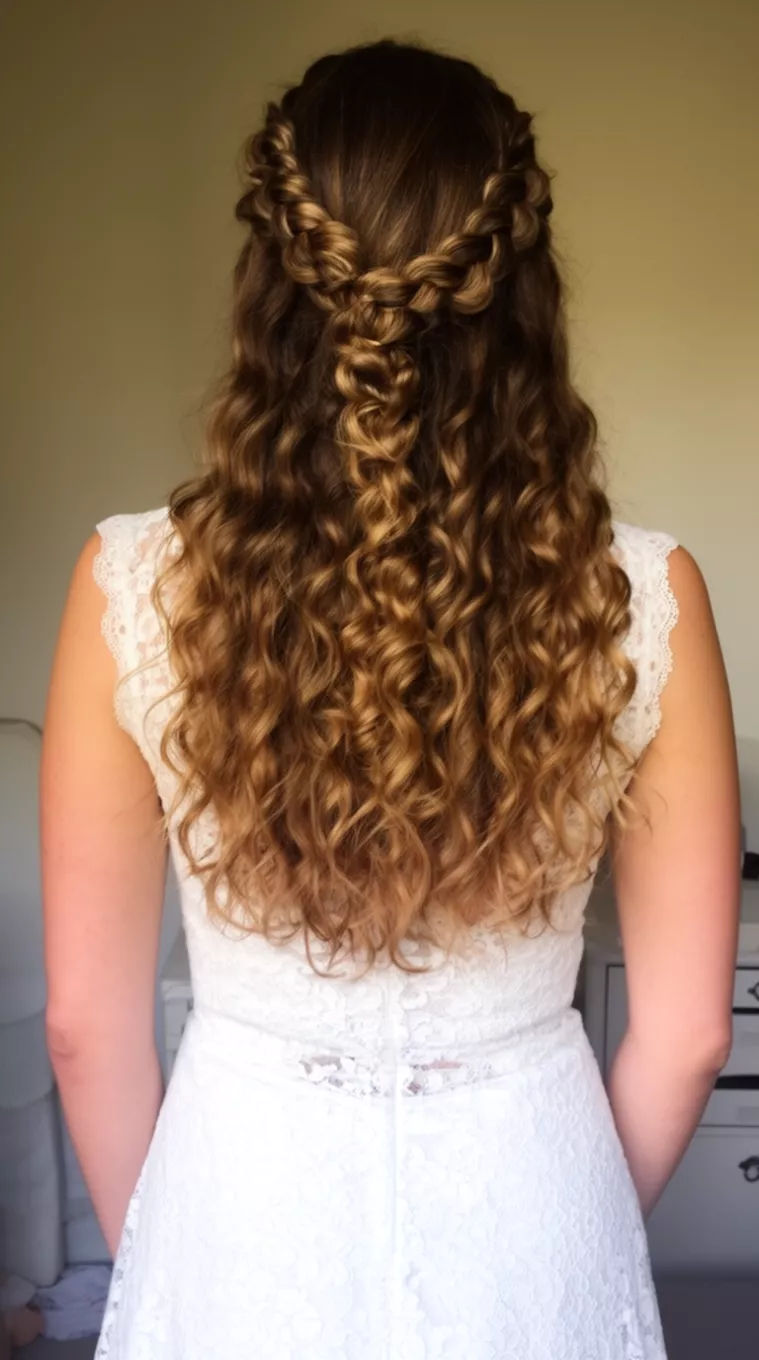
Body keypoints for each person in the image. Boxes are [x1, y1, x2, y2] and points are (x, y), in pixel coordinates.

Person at [39, 37, 740, 1360]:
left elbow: (84, 1031)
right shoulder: (646, 597)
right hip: (528, 1210)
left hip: (235, 1211)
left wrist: (167, 1263)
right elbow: (690, 1034)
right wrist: (580, 1225)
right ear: (522, 290)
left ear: (269, 285)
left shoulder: (126, 584)